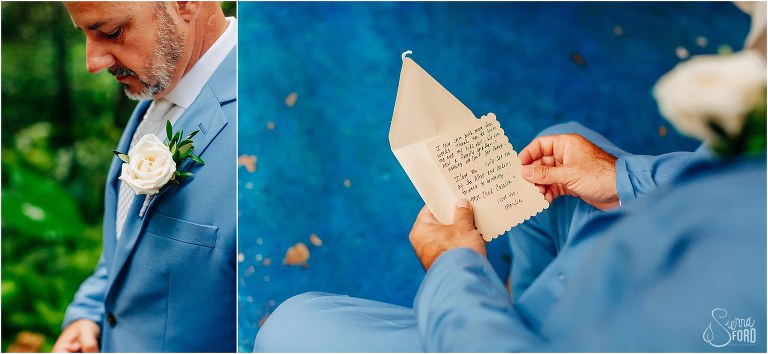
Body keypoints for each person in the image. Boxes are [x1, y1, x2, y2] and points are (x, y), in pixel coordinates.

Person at [254, 5, 765, 352]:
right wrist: (622, 178)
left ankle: (502, 306)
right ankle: (518, 294)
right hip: (629, 259)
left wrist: (454, 267)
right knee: (557, 151)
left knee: (290, 326)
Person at [52, 2, 236, 352]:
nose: (92, 63)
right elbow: (129, 247)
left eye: (111, 33)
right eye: (86, 35)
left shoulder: (265, 129)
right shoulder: (161, 83)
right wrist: (87, 314)